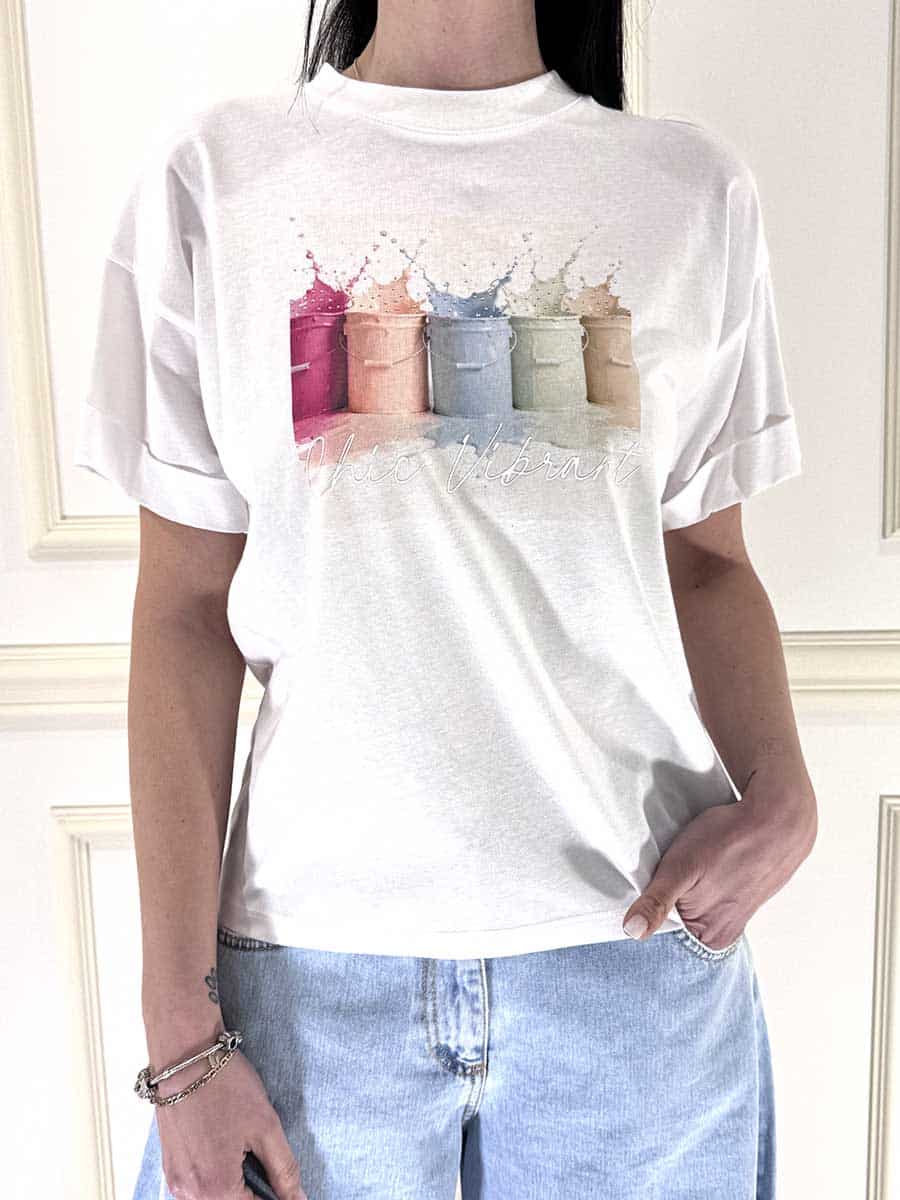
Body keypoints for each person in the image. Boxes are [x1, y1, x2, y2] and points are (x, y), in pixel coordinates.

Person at [74, 2, 818, 1197]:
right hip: (309, 989)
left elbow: (707, 565)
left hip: (631, 970)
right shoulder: (215, 179)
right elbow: (184, 612)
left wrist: (784, 793)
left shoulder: (689, 194)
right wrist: (179, 1034)